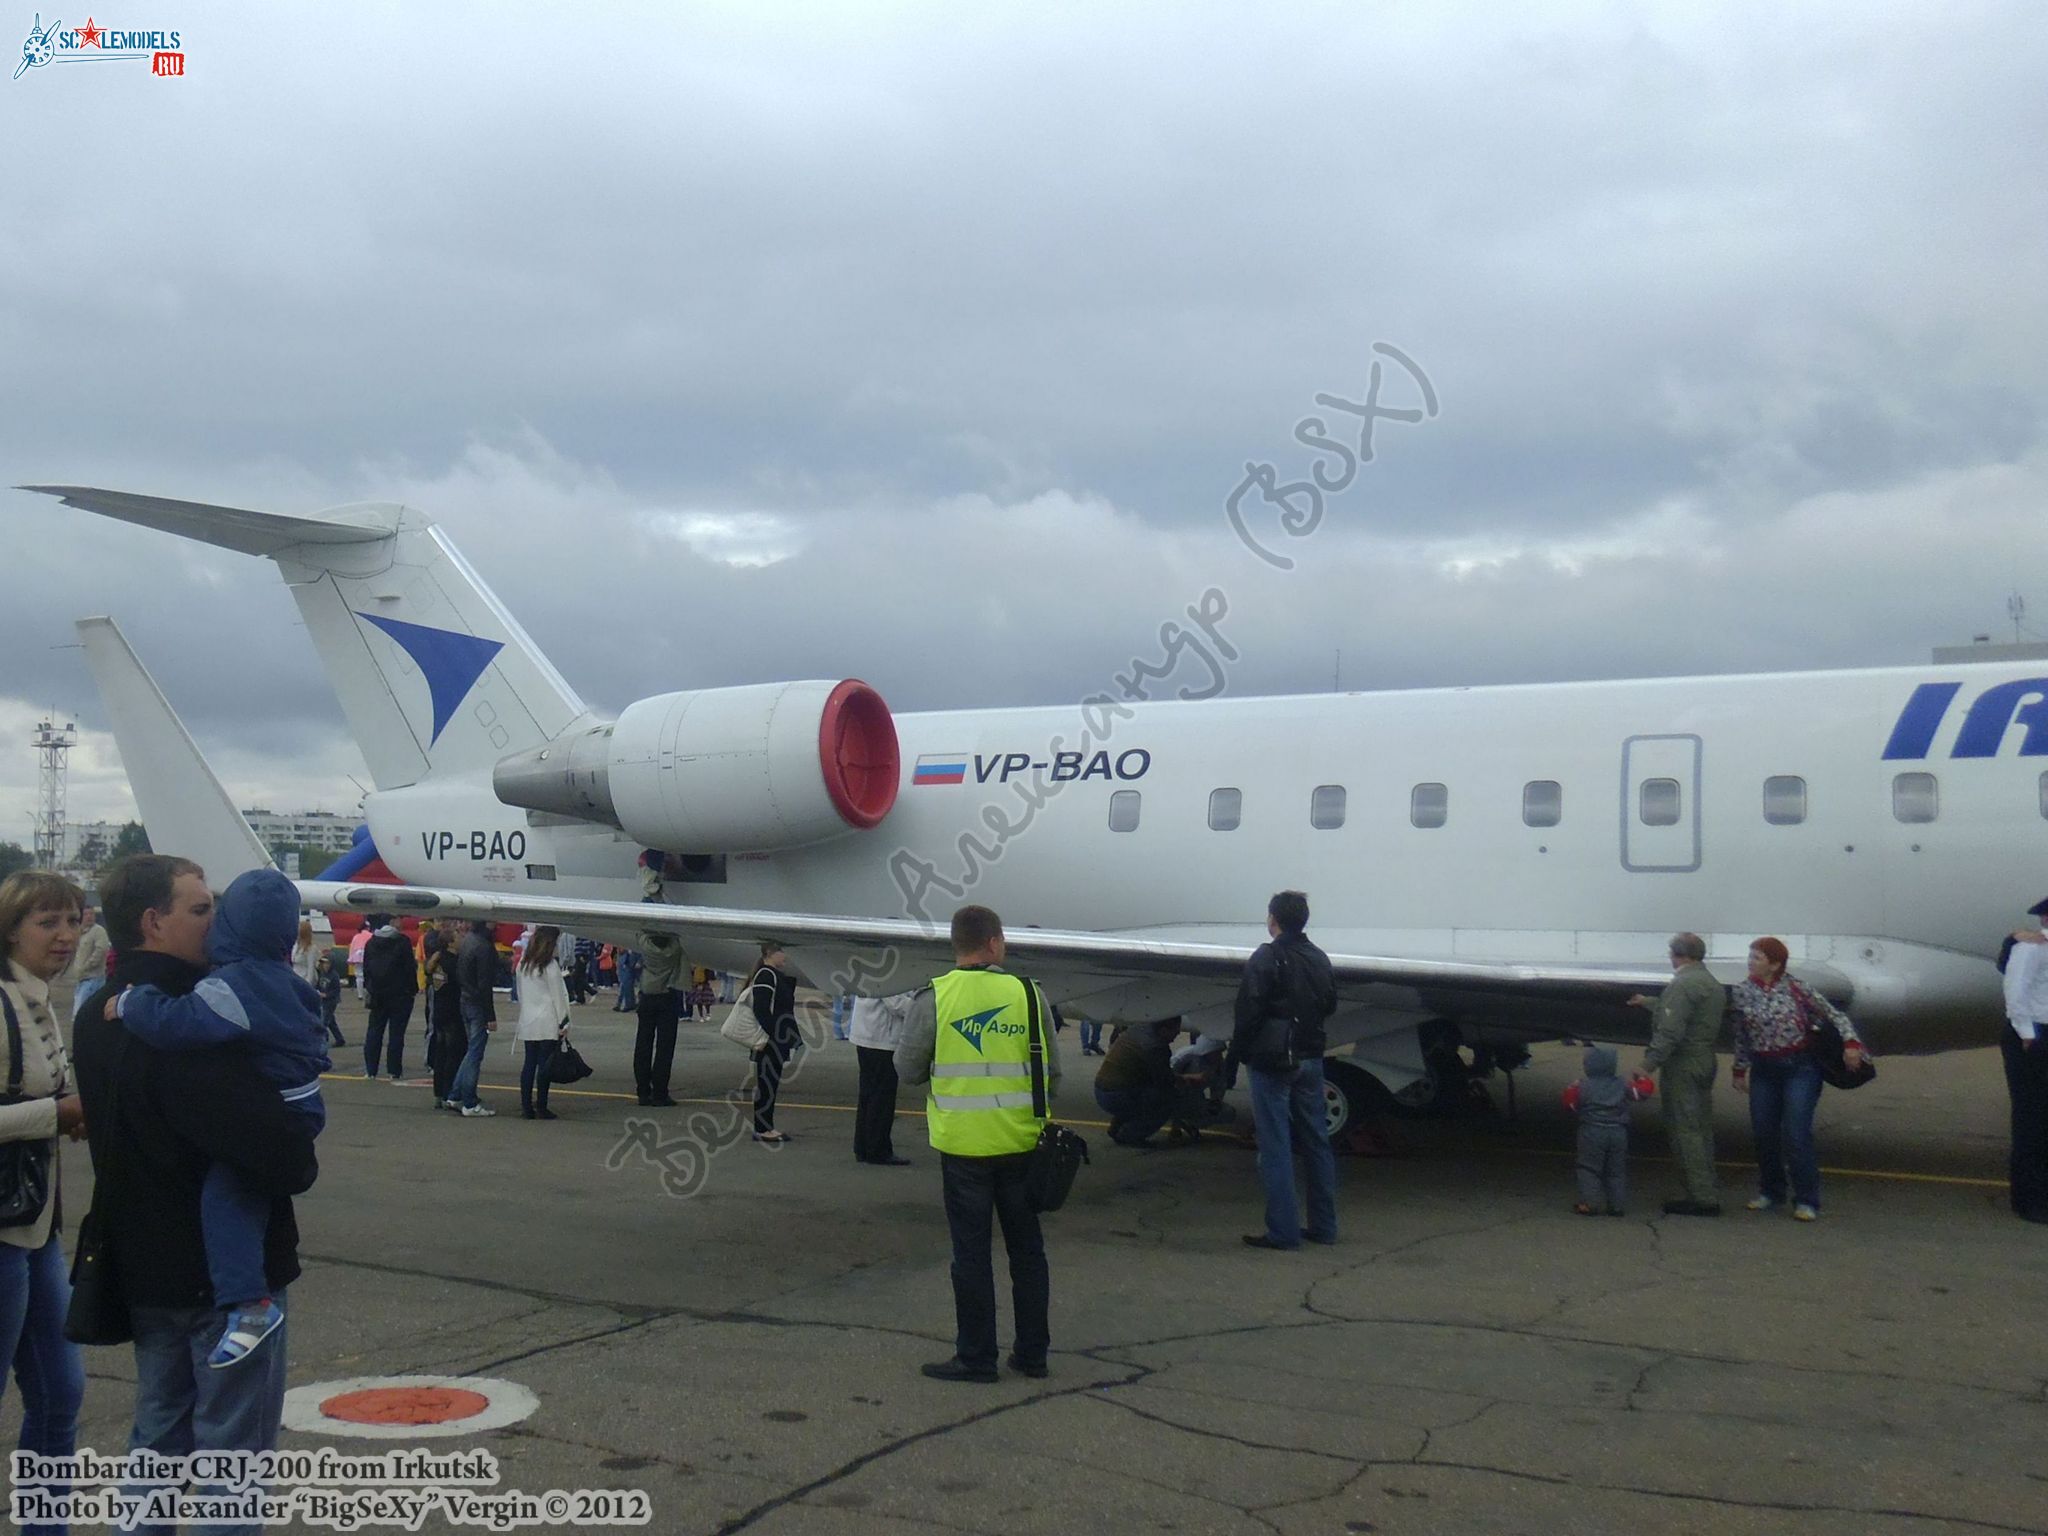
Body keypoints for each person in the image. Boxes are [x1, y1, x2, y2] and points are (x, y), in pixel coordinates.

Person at [71, 854, 319, 1519]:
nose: (217, 922)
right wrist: (297, 1151)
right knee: (231, 1461)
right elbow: (274, 1151)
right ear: (156, 921)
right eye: (201, 908)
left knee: (155, 1440)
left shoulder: (97, 1013)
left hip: (144, 1269)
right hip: (223, 1279)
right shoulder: (191, 1020)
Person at [113, 868, 329, 1367]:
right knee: (247, 1198)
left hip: (282, 1108)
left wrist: (132, 1001)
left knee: (226, 1200)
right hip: (302, 1102)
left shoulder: (234, 987)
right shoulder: (278, 979)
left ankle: (248, 1304)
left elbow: (175, 1025)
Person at [895, 904, 1057, 1383]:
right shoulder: (1030, 995)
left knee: (971, 1255)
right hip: (1023, 1144)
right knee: (1028, 1254)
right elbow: (1053, 1071)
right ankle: (1032, 1354)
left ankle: (976, 1357)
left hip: (964, 1149)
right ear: (992, 944)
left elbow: (906, 1070)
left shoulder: (935, 998)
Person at [0, 872, 88, 1517]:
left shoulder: (37, 997)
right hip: (4, 1231)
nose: (65, 936)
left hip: (35, 1227)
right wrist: (55, 1115)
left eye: (73, 920)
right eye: (47, 923)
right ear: (10, 929)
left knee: (61, 1396)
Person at [1229, 890, 1339, 1250]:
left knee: (1275, 1146)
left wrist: (1237, 1054)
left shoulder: (1267, 957)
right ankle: (1324, 1226)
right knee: (1316, 1142)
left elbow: (1248, 1010)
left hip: (1273, 1060)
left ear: (1273, 919)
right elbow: (1330, 1003)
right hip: (1311, 1057)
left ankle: (1283, 1231)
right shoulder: (1319, 957)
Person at [1728, 936, 1867, 1221]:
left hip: (1799, 1068)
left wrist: (1852, 1044)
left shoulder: (1795, 987)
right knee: (1764, 1132)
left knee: (1795, 1132)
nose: (1750, 962)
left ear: (1775, 964)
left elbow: (1835, 1015)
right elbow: (1741, 1034)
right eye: (1750, 956)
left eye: (1757, 958)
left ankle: (1806, 1199)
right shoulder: (1742, 992)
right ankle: (1771, 1191)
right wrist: (1739, 1069)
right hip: (1764, 1069)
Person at [1629, 932, 1727, 1216]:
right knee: (1701, 1128)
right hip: (1704, 1059)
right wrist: (1648, 1002)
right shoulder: (1710, 983)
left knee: (1685, 1130)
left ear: (1678, 955)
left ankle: (1701, 1197)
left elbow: (1671, 1030)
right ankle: (1708, 1186)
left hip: (1683, 1064)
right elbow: (1686, 1015)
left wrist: (1647, 1065)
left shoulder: (1682, 984)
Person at [1996, 901, 2048, 1223]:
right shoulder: (2030, 948)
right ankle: (2029, 1200)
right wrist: (2027, 1034)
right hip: (2034, 1034)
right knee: (2032, 1118)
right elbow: (2015, 990)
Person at [1563, 1045, 1654, 1215]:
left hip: (1591, 1131)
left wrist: (1571, 1088)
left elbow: (1570, 1105)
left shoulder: (1583, 1086)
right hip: (1618, 1132)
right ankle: (1616, 1206)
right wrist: (1642, 1078)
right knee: (1616, 1171)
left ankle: (1590, 1203)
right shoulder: (1622, 1084)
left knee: (1589, 1168)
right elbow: (1642, 1093)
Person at [1094, 1018, 1203, 1147]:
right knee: (1166, 1101)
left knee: (1145, 1093)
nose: (1176, 1035)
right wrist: (1186, 1081)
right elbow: (1163, 1080)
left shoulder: (1138, 1029)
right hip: (1117, 1094)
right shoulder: (1156, 1047)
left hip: (1102, 1089)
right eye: (1175, 1031)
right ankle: (1130, 1136)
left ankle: (1118, 1126)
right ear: (1163, 1030)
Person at [514, 927, 570, 1121]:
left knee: (529, 1063)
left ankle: (526, 1106)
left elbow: (520, 993)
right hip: (547, 1020)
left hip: (528, 1019)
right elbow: (558, 997)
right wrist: (564, 1022)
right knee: (544, 1066)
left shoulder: (523, 963)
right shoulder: (550, 965)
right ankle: (542, 1106)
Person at [849, 991, 912, 1166]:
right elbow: (896, 1003)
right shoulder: (887, 976)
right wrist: (921, 1009)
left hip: (867, 1036)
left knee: (868, 1096)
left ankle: (863, 1146)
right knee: (882, 1098)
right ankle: (878, 1149)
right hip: (881, 1038)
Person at [747, 944, 799, 1143]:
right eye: (781, 951)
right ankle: (763, 1128)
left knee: (770, 1083)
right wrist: (775, 1035)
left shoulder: (772, 974)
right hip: (771, 1041)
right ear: (770, 954)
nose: (785, 955)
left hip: (775, 1039)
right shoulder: (766, 975)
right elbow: (761, 1009)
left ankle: (765, 1126)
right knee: (767, 1083)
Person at [450, 919, 499, 1118]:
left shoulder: (469, 941)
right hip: (477, 1004)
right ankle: (469, 1102)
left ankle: (455, 1094)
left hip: (465, 999)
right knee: (475, 1054)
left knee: (471, 1051)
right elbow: (485, 985)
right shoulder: (484, 947)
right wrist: (490, 1015)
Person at [359, 916, 418, 1082]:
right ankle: (394, 1070)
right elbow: (409, 968)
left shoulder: (371, 942)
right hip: (399, 994)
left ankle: (371, 1070)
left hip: (377, 993)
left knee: (374, 1031)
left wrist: (368, 988)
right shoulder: (402, 941)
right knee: (396, 1034)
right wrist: (412, 989)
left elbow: (366, 968)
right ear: (392, 923)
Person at [633, 926, 686, 1108]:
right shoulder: (674, 950)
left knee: (643, 1044)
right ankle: (660, 1092)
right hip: (666, 997)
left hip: (647, 996)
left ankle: (642, 1091)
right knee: (665, 1048)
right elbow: (676, 936)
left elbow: (640, 932)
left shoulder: (646, 947)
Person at [420, 919, 462, 1108]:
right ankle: (449, 1092)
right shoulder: (453, 962)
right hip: (453, 1012)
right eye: (458, 937)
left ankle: (439, 1093)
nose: (460, 939)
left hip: (439, 1011)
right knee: (453, 1055)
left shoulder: (436, 962)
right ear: (450, 942)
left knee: (440, 1054)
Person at [58, 902, 110, 1026]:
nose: (89, 916)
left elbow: (101, 951)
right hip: (81, 979)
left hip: (94, 979)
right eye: (86, 914)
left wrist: (86, 966)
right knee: (80, 1015)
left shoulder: (98, 931)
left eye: (91, 914)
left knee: (81, 1014)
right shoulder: (80, 932)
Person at [314, 953, 345, 1046]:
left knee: (324, 1021)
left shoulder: (334, 976)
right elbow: (318, 985)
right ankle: (340, 1039)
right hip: (323, 1000)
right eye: (324, 963)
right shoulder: (322, 973)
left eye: (328, 963)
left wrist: (326, 995)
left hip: (331, 1001)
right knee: (331, 1022)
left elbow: (336, 991)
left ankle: (322, 1040)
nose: (326, 965)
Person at [614, 947, 641, 1012]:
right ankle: (629, 1004)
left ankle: (641, 1004)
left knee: (642, 986)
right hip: (627, 964)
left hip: (637, 964)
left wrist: (640, 961)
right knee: (626, 985)